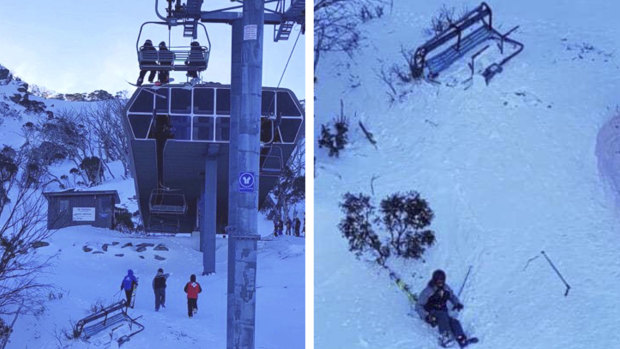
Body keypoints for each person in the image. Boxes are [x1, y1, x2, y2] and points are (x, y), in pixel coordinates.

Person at [415, 270, 474, 348]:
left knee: (453, 321)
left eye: (442, 280)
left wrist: (456, 303)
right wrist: (426, 316)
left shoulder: (446, 288)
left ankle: (461, 338)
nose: (440, 282)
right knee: (442, 315)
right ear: (434, 280)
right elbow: (418, 305)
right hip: (432, 312)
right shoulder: (428, 291)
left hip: (443, 311)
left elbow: (451, 296)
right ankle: (445, 337)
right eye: (438, 280)